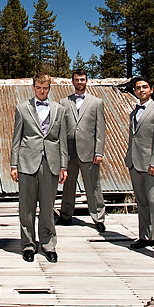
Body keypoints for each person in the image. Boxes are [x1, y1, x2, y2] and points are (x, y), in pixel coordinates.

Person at [10, 72, 68, 263]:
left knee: (47, 207)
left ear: (49, 89)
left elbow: (62, 141)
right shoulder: (22, 108)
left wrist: (63, 166)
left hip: (51, 163)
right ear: (33, 87)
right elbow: (16, 139)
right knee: (26, 208)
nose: (42, 91)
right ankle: (27, 245)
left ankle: (48, 244)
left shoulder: (59, 109)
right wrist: (13, 164)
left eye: (45, 88)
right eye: (39, 88)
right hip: (27, 162)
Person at [124, 76, 154, 264]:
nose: (141, 90)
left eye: (144, 87)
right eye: (137, 88)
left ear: (151, 90)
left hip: (151, 165)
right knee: (141, 201)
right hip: (135, 163)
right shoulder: (134, 112)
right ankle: (145, 236)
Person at [57, 69, 107, 232]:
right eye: (77, 80)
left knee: (93, 186)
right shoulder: (64, 102)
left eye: (82, 79)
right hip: (69, 152)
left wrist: (99, 152)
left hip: (89, 152)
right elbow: (61, 129)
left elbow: (100, 129)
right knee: (68, 185)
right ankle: (65, 215)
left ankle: (98, 217)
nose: (80, 82)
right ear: (72, 82)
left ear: (87, 81)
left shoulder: (96, 102)